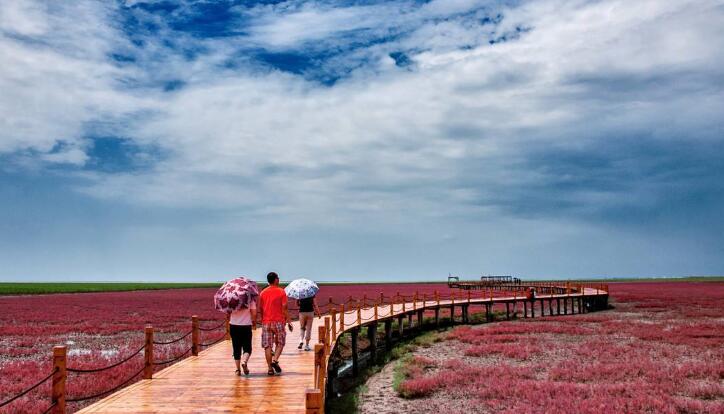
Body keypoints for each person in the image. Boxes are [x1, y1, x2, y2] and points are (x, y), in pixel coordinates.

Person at [258, 272, 292, 376]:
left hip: (266, 322)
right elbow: (284, 308)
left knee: (267, 346)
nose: (279, 279)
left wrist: (263, 320)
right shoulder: (281, 291)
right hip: (278, 321)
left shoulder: (263, 293)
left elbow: (261, 308)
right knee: (280, 343)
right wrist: (289, 321)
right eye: (278, 278)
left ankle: (269, 369)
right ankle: (275, 360)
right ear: (276, 280)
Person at [229, 296, 256, 376]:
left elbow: (228, 312)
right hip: (246, 325)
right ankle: (244, 361)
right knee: (247, 347)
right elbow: (254, 313)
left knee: (236, 347)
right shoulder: (250, 299)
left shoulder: (231, 299)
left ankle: (238, 370)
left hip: (233, 325)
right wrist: (253, 321)